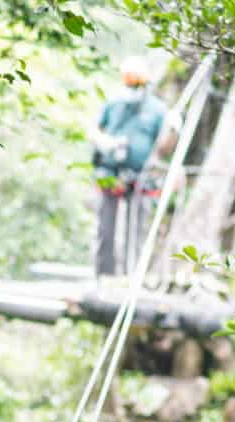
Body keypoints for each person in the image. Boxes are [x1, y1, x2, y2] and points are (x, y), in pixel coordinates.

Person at [91, 56, 170, 278]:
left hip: (141, 175)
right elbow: (95, 130)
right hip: (110, 171)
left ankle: (131, 275)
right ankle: (103, 275)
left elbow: (163, 143)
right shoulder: (113, 103)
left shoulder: (157, 109)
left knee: (136, 228)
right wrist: (105, 143)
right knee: (105, 228)